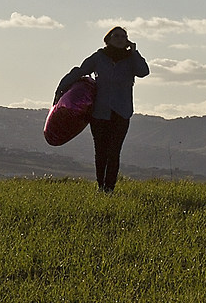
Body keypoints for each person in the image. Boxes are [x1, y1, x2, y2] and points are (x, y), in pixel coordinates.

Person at [57, 26, 149, 194]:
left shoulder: (131, 59)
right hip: (99, 112)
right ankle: (101, 187)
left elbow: (143, 72)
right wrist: (61, 89)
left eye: (123, 36)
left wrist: (135, 52)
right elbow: (80, 71)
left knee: (114, 152)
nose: (120, 39)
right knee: (101, 152)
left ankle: (109, 189)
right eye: (116, 36)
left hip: (121, 112)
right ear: (108, 39)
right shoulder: (99, 57)